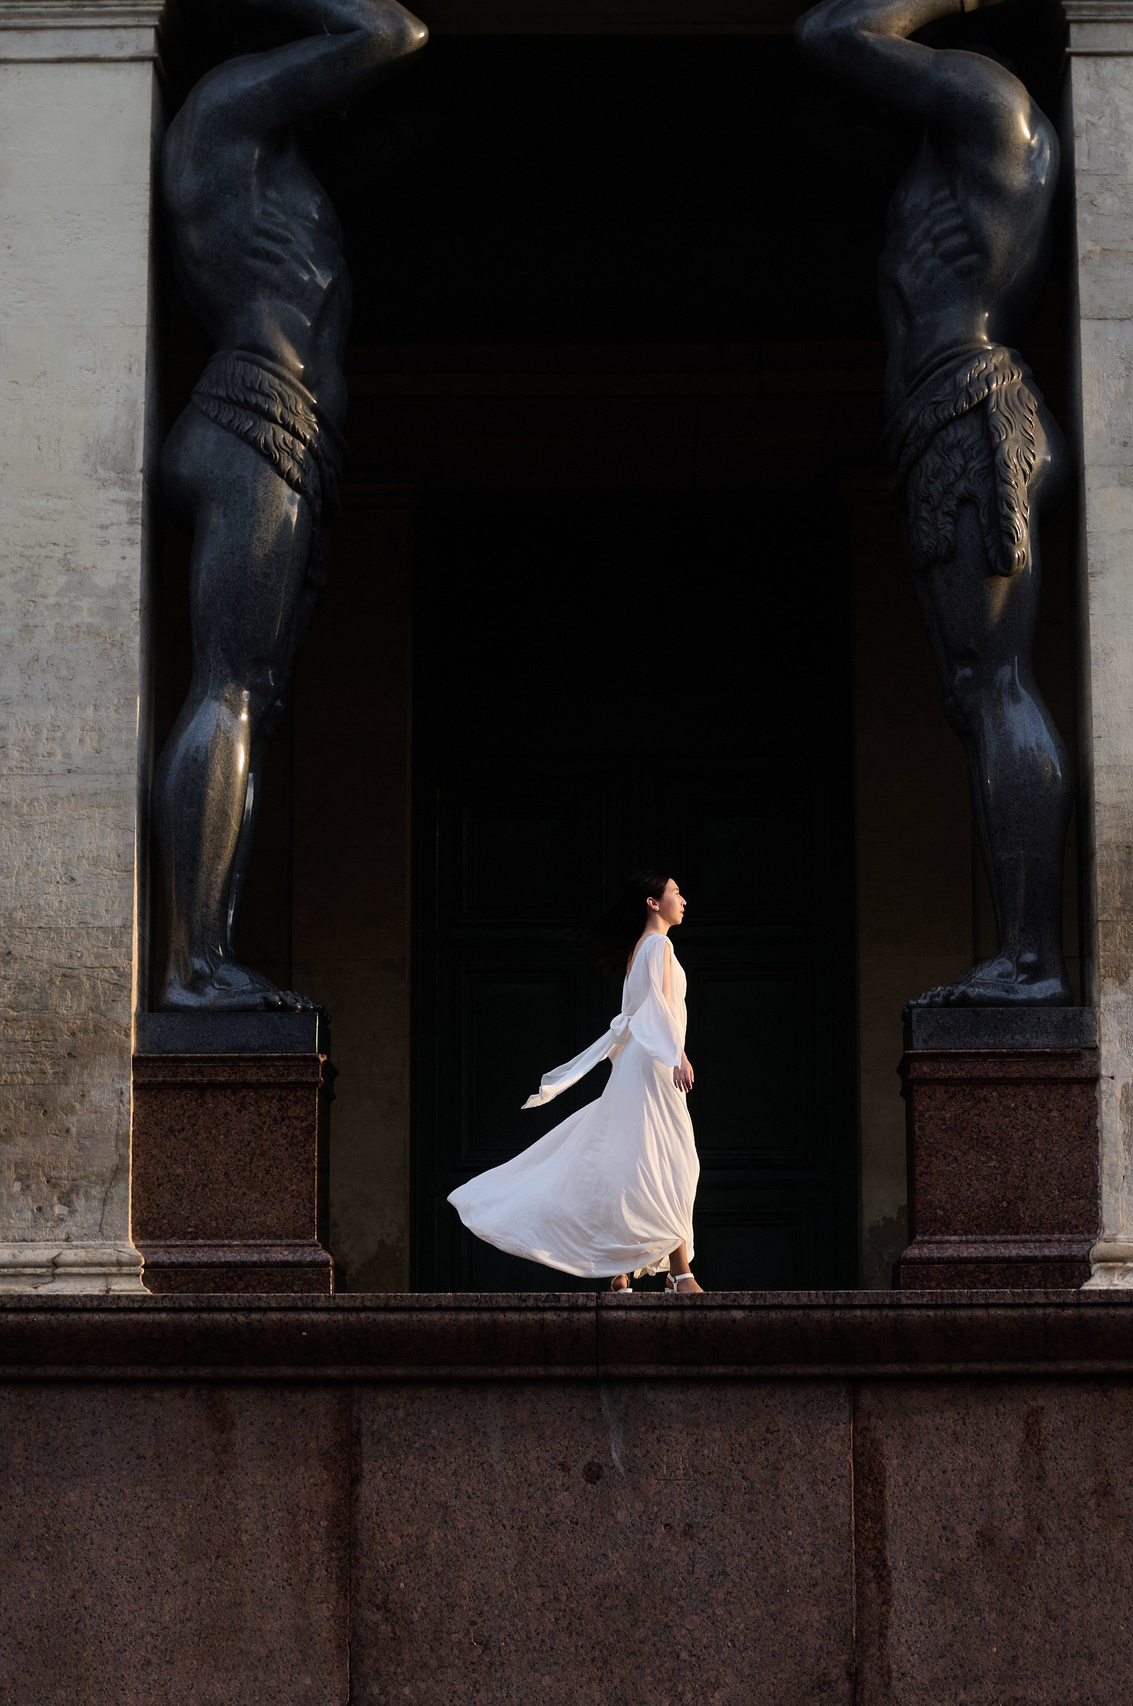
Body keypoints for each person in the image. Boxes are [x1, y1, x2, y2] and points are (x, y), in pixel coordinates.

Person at [152, 0, 426, 1012]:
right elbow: (388, 32)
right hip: (252, 420)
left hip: (290, 435)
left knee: (251, 697)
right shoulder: (221, 112)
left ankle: (207, 954)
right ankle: (193, 968)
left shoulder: (275, 159)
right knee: (228, 686)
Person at [798, 0, 1071, 1009]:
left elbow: (833, 31)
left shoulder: (997, 108)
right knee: (974, 687)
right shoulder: (941, 148)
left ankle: (1033, 961)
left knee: (992, 682)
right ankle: (1026, 955)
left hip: (969, 403)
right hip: (939, 416)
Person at [450, 873, 704, 1293]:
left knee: (628, 1158)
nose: (683, 900)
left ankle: (620, 1270)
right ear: (652, 902)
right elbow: (657, 1007)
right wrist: (676, 1054)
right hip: (655, 1062)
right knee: (670, 1159)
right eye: (676, 893)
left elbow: (638, 1013)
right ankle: (680, 1274)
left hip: (639, 1062)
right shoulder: (659, 945)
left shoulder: (638, 949)